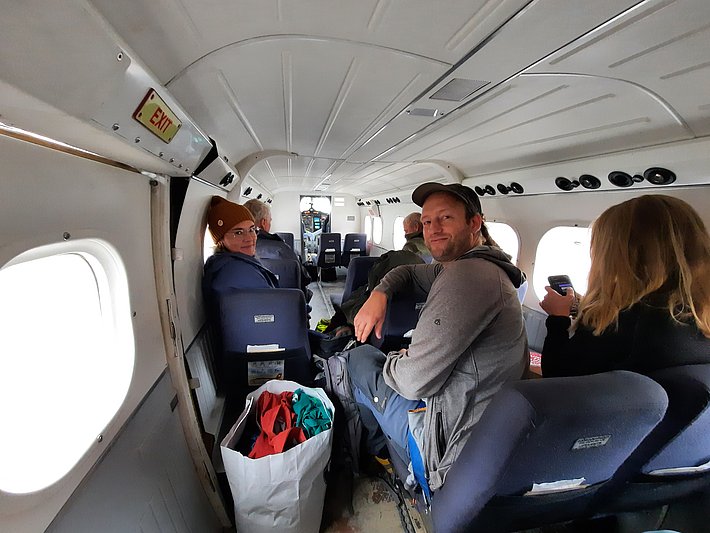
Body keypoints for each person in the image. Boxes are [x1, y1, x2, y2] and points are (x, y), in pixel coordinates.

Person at [348, 183, 528, 492]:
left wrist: (398, 359)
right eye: (427, 221)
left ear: (474, 223)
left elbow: (413, 382)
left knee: (357, 359)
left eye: (445, 218)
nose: (433, 229)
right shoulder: (471, 267)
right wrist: (380, 293)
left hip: (449, 445)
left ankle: (384, 457)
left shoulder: (466, 278)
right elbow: (408, 272)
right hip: (486, 425)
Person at [540, 194, 710, 378]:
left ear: (622, 255)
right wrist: (583, 307)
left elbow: (557, 375)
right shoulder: (695, 314)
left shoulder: (622, 324)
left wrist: (558, 318)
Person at [244, 198, 312, 301]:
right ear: (263, 222)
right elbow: (304, 279)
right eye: (270, 220)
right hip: (288, 304)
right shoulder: (282, 249)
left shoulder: (238, 250)